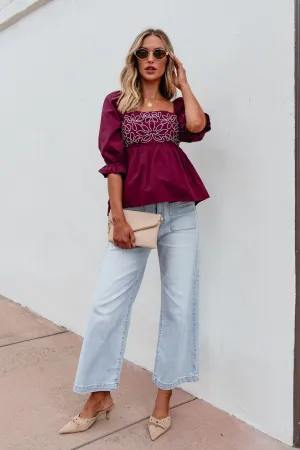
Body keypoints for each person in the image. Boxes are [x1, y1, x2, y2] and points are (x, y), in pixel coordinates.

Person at [59, 28, 211, 441]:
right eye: (143, 52)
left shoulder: (177, 106)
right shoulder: (117, 103)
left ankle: (163, 399)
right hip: (135, 214)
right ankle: (98, 395)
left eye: (159, 53)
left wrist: (185, 84)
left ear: (168, 60)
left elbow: (196, 126)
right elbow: (113, 162)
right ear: (134, 58)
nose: (150, 58)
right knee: (107, 305)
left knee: (179, 307)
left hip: (180, 213)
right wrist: (120, 217)